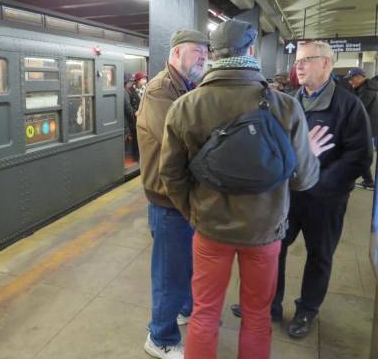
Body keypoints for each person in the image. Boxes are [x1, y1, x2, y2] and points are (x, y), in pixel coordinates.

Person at [158, 20, 329, 359]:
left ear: (214, 55)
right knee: (256, 315)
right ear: (251, 51)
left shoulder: (186, 106)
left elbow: (170, 174)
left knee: (205, 313)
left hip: (210, 230)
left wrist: (193, 212)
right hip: (264, 233)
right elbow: (303, 180)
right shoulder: (285, 106)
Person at [271, 41, 373, 339]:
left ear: (327, 64)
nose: (298, 66)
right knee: (274, 248)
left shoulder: (348, 106)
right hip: (288, 197)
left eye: (306, 60)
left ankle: (307, 310)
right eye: (296, 61)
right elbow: (275, 146)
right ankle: (271, 304)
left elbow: (359, 156)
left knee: (320, 255)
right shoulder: (288, 101)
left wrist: (316, 179)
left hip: (326, 200)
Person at [136, 29, 209, 359]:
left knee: (184, 264)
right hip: (166, 199)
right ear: (177, 53)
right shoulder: (160, 90)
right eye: (197, 51)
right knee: (169, 272)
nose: (203, 57)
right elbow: (179, 137)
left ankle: (182, 309)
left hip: (182, 194)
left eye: (205, 52)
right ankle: (160, 337)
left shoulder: (188, 86)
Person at [346, 67, 378, 190]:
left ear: (359, 77)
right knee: (362, 153)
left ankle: (369, 181)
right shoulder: (364, 88)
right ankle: (368, 180)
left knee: (361, 154)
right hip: (369, 127)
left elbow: (357, 109)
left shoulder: (368, 91)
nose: (350, 82)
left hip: (368, 128)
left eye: (351, 79)